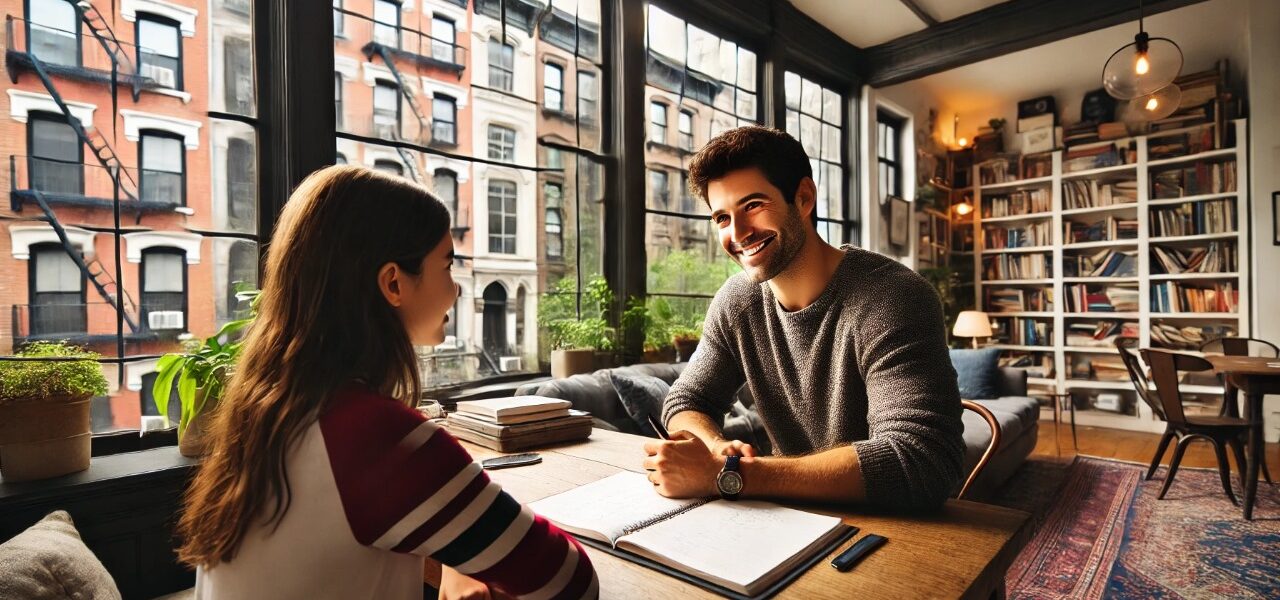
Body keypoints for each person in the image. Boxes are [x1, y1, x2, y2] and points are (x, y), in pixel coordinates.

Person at [180, 166, 597, 599]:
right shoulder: (372, 435)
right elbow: (571, 581)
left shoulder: (269, 406)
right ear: (394, 282)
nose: (455, 290)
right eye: (447, 265)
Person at [644, 126, 965, 511]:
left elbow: (921, 461)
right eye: (722, 218)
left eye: (753, 206)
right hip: (784, 515)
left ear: (804, 198)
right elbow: (686, 400)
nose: (738, 233)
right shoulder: (737, 301)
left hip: (892, 526)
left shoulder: (893, 297)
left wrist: (730, 475)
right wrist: (714, 450)